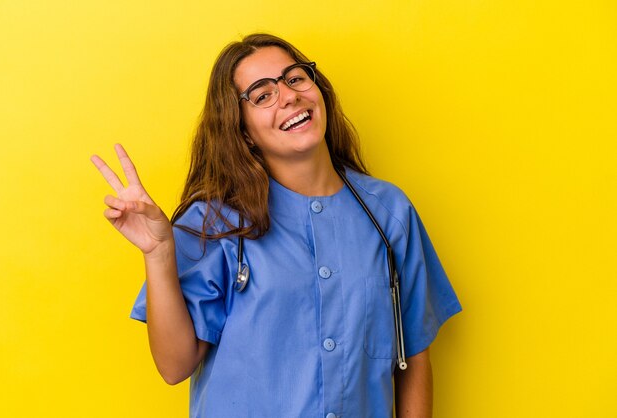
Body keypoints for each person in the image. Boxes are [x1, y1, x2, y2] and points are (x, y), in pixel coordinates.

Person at [91, 33, 461, 418]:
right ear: (244, 131)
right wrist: (158, 253)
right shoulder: (214, 222)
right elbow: (174, 366)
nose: (288, 96)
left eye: (295, 78)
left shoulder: (389, 213)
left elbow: (414, 356)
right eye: (262, 94)